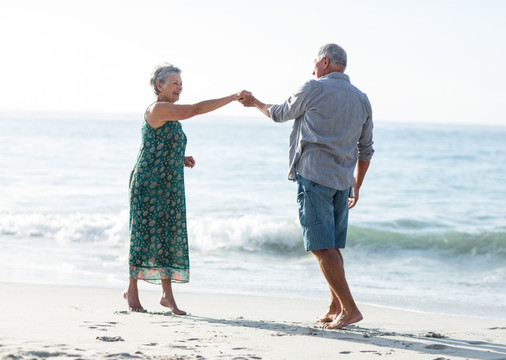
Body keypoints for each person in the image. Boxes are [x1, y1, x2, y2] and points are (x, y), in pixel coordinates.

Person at [239, 44, 374, 329]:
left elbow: (278, 113)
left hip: (314, 177)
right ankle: (335, 305)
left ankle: (350, 309)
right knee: (332, 247)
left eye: (315, 63)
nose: (312, 68)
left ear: (324, 61)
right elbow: (366, 149)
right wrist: (357, 185)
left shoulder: (313, 88)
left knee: (321, 248)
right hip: (342, 181)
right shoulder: (362, 99)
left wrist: (255, 103)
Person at [123, 63, 242, 315]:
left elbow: (160, 143)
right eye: (175, 83)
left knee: (168, 236)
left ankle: (167, 296)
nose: (180, 87)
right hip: (148, 183)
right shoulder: (159, 108)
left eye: (181, 83)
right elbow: (196, 109)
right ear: (159, 85)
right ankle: (131, 291)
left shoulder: (169, 113)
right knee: (143, 235)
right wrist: (231, 98)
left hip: (169, 183)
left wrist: (180, 157)